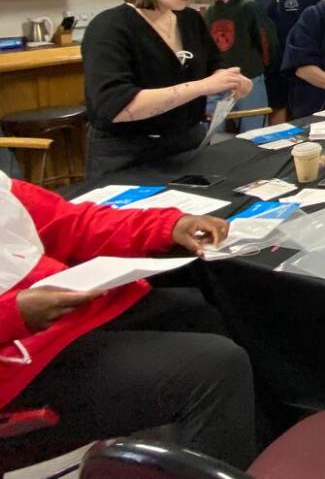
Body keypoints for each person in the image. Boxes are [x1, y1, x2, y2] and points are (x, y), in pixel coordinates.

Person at [0, 173, 255, 469]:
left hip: (50, 326)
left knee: (201, 314)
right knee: (215, 366)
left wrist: (167, 226)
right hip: (15, 371)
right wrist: (14, 314)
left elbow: (69, 221)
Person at [83, 0, 252, 177]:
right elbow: (117, 106)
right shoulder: (110, 27)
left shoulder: (190, 20)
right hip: (129, 154)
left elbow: (214, 63)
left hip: (187, 144)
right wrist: (202, 87)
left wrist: (231, 80)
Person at [200, 0, 281, 132]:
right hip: (221, 80)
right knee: (212, 132)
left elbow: (266, 40)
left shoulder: (248, 6)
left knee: (254, 130)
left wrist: (264, 68)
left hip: (250, 77)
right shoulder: (211, 12)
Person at [250, 0, 322, 122]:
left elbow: (320, 26)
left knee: (303, 107)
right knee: (277, 106)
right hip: (271, 64)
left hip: (301, 61)